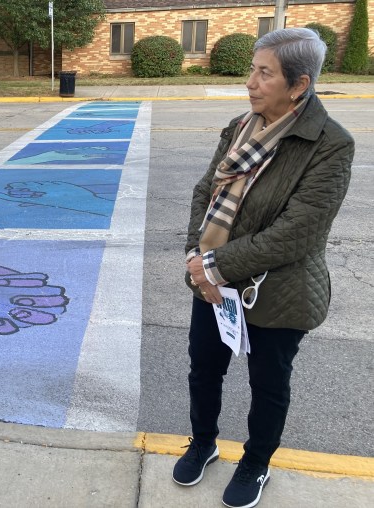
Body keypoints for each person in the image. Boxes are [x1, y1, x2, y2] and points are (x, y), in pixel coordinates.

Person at [172, 28, 353, 508]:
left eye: (264, 73)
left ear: (299, 84)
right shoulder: (241, 125)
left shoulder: (330, 144)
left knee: (268, 385)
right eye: (252, 69)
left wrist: (213, 266)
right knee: (203, 369)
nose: (250, 81)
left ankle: (256, 463)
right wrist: (198, 258)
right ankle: (204, 442)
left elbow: (298, 232)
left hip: (279, 290)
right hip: (212, 284)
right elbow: (203, 193)